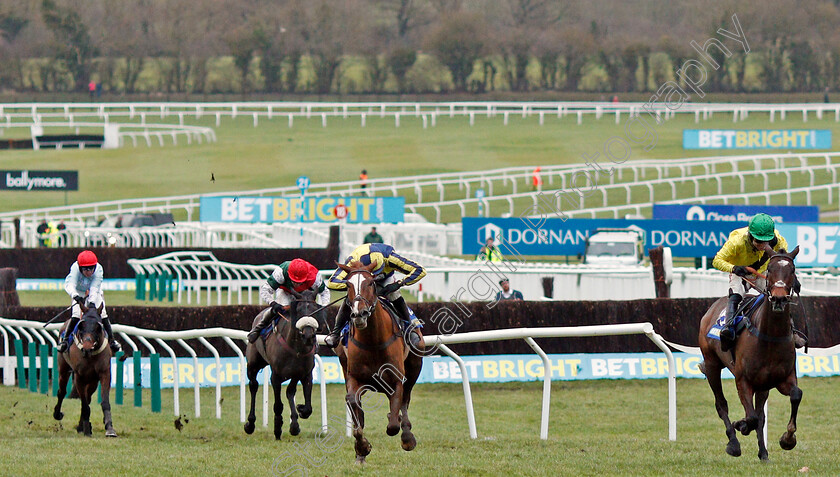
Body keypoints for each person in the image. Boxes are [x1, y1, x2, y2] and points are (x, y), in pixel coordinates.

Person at [712, 213, 799, 351]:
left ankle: (792, 330)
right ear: (750, 236)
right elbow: (716, 261)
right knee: (736, 295)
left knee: (780, 296)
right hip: (740, 273)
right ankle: (728, 328)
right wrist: (734, 268)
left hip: (763, 273)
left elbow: (783, 264)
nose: (763, 246)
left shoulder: (780, 241)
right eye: (759, 241)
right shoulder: (736, 242)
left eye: (767, 242)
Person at [324, 243, 425, 349]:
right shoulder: (353, 260)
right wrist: (353, 286)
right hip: (362, 282)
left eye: (376, 271)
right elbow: (332, 282)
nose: (374, 274)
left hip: (384, 280)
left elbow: (420, 270)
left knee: (394, 295)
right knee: (350, 299)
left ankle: (408, 328)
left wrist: (398, 284)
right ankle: (335, 333)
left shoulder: (390, 258)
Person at [247, 258, 331, 343]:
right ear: (288, 274)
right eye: (294, 281)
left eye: (299, 282)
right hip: (286, 292)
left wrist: (323, 308)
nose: (296, 284)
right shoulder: (281, 272)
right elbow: (265, 290)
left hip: (306, 296)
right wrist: (273, 303)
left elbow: (325, 293)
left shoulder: (314, 276)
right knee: (279, 308)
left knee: (310, 314)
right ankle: (258, 328)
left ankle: (320, 338)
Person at [57, 251, 120, 354]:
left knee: (103, 313)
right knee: (76, 315)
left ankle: (112, 341)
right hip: (77, 290)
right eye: (86, 269)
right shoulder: (75, 269)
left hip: (94, 291)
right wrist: (75, 296)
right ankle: (65, 341)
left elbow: (94, 288)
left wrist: (91, 303)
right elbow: (70, 285)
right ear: (80, 268)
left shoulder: (99, 270)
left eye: (91, 268)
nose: (89, 272)